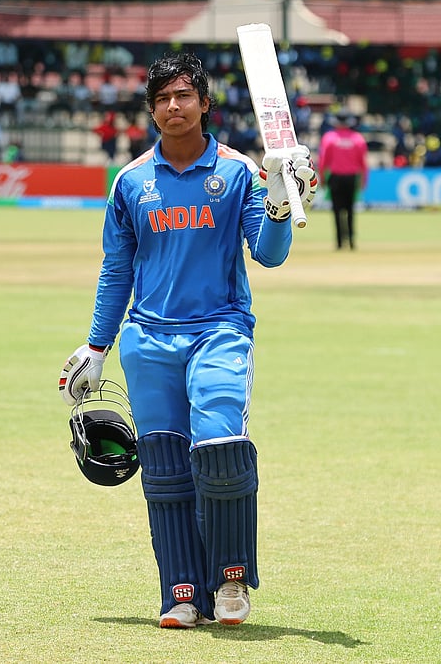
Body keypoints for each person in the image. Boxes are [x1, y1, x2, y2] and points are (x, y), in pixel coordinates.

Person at [58, 51, 317, 630]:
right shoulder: (130, 182)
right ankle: (180, 591)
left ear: (205, 102)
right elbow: (116, 269)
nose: (174, 107)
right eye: (162, 98)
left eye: (184, 96)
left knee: (222, 448)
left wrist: (278, 202)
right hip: (147, 339)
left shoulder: (238, 172)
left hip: (220, 330)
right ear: (151, 110)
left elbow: (270, 254)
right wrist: (97, 346)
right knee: (166, 468)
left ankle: (229, 583)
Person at [318, 113, 368, 250]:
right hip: (351, 178)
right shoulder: (358, 139)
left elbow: (323, 162)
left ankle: (340, 242)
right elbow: (363, 163)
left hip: (336, 178)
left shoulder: (329, 138)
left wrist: (322, 178)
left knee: (337, 211)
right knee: (350, 210)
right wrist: (364, 179)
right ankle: (351, 241)